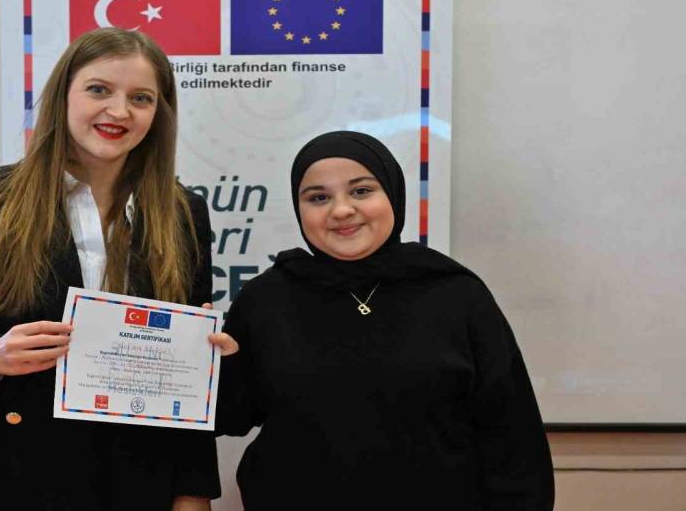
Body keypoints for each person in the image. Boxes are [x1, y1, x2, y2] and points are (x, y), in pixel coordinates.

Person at [0, 28, 233, 511]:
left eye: (141, 98)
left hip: (129, 480)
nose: (119, 111)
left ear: (159, 114)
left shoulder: (184, 215)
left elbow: (185, 381)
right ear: (63, 96)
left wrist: (193, 491)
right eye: (99, 89)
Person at [216, 131, 555, 510]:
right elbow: (231, 418)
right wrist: (217, 369)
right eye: (318, 197)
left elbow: (513, 440)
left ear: (392, 193)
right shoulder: (265, 299)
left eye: (361, 191)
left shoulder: (457, 295)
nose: (341, 210)